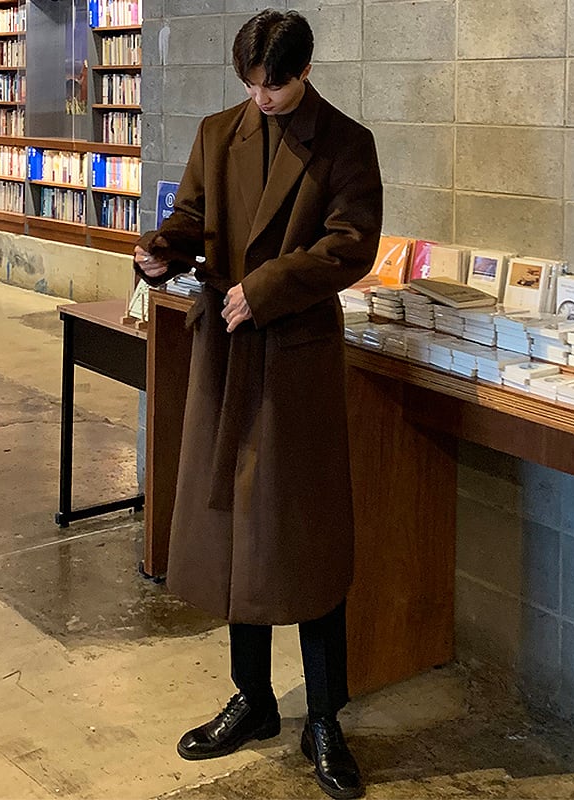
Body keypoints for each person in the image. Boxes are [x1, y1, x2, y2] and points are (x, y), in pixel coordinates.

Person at [133, 9, 382, 799]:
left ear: (304, 71)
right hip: (227, 350)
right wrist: (161, 250)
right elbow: (193, 218)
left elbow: (351, 244)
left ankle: (325, 718)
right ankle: (253, 698)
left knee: (304, 536)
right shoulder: (218, 132)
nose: (260, 99)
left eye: (272, 86)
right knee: (235, 531)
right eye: (249, 85)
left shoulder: (346, 142)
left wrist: (265, 288)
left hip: (295, 358)